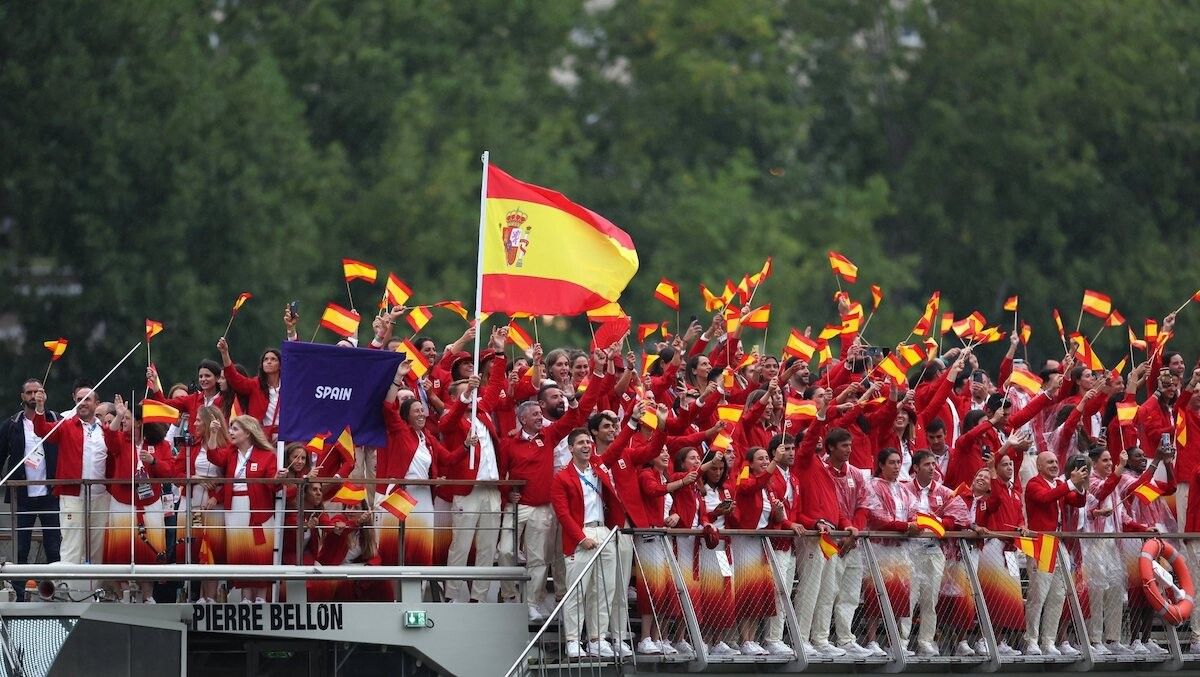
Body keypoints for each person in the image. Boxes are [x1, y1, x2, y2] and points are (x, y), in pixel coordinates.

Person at [551, 429, 620, 659]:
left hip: (604, 530)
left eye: (589, 442)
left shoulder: (599, 469)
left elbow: (619, 445)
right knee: (576, 591)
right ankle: (572, 640)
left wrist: (632, 421)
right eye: (580, 442)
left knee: (604, 589)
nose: (586, 446)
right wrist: (581, 538)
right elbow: (562, 513)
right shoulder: (562, 477)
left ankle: (597, 639)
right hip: (581, 534)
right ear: (570, 448)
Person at [30, 379, 114, 566]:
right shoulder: (66, 425)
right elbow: (42, 430)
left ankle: (93, 594)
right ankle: (69, 593)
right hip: (72, 495)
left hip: (101, 496)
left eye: (87, 399)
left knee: (96, 549)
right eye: (79, 399)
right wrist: (40, 407)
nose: (82, 402)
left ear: (97, 404)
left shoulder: (105, 429)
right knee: (72, 547)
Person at [205, 416, 281, 603]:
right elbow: (213, 456)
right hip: (234, 509)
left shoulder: (267, 455)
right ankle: (246, 596)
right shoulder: (231, 453)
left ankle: (261, 597)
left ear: (248, 432)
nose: (231, 432)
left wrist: (280, 477)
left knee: (260, 552)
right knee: (240, 552)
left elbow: (274, 485)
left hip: (258, 509)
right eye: (230, 428)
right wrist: (214, 434)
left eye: (235, 429)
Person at [104, 398, 175, 597]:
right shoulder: (120, 440)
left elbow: (169, 471)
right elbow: (110, 437)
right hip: (122, 502)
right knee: (121, 549)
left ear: (138, 422)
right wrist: (117, 415)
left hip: (150, 502)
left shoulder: (160, 444)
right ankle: (124, 592)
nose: (124, 421)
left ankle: (148, 595)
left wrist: (153, 461)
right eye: (123, 418)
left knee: (150, 549)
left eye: (127, 418)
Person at [0, 379, 61, 599]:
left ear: (44, 394)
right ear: (22, 397)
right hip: (22, 496)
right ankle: (19, 593)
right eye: (29, 392)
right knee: (21, 548)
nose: (33, 396)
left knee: (54, 546)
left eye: (38, 392)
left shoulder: (56, 420)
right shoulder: (12, 424)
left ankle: (58, 592)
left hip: (50, 495)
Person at [1022, 451, 1086, 656]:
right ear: (1039, 466)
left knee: (1058, 595)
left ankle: (1048, 641)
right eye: (1049, 461)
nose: (1054, 464)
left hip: (1058, 543)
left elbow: (1078, 502)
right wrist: (1069, 483)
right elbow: (1044, 498)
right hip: (1042, 543)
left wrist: (1081, 484)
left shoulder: (1059, 484)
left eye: (1056, 461)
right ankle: (1031, 640)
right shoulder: (1034, 484)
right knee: (1038, 595)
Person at [901, 449, 955, 656]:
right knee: (908, 598)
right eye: (927, 465)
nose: (932, 468)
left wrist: (937, 521)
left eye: (934, 464)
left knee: (930, 600)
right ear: (915, 468)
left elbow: (956, 520)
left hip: (933, 551)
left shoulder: (943, 491)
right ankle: (901, 641)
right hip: (910, 551)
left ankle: (926, 641)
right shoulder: (904, 489)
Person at [178, 405, 229, 603]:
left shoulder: (226, 446)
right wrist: (196, 478)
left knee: (213, 547)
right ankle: (195, 594)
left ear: (209, 422)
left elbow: (231, 477)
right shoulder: (191, 444)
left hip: (213, 504)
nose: (195, 424)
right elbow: (177, 472)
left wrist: (217, 495)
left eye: (199, 420)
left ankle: (211, 596)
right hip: (193, 501)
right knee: (194, 545)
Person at [216, 336, 282, 441]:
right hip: (261, 437)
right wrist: (225, 353)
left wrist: (291, 330)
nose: (269, 362)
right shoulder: (255, 384)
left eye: (273, 359)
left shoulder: (288, 387)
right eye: (266, 359)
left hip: (286, 438)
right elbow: (234, 378)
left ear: (280, 365)